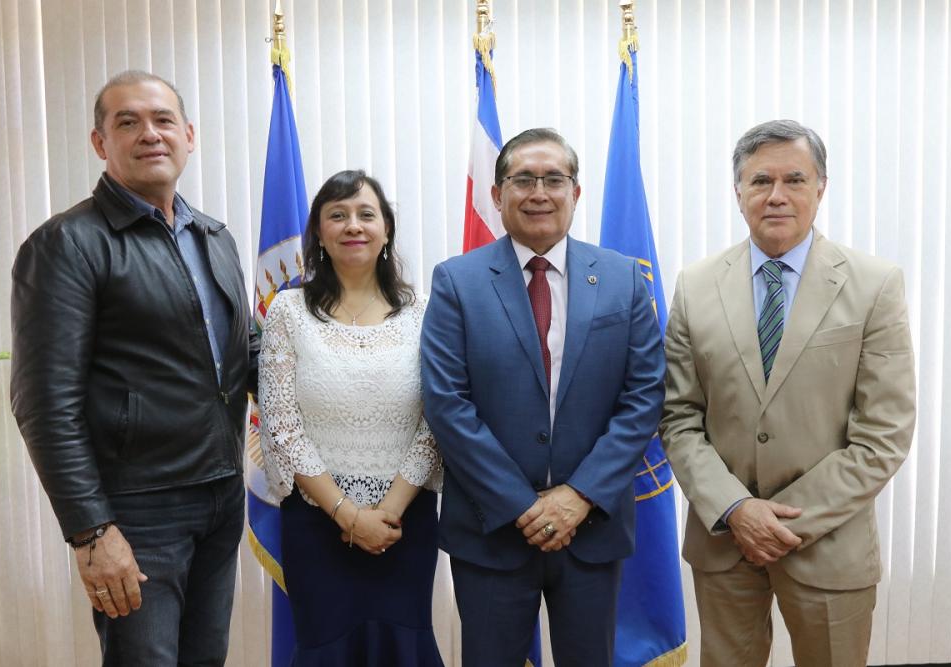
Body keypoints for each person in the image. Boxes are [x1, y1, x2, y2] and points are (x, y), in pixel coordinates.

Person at [10, 70, 256, 665]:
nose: (150, 134)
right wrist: (92, 531)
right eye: (128, 122)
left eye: (163, 119)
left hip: (221, 495)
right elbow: (44, 403)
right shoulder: (66, 244)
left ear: (189, 135)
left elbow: (243, 357)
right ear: (100, 143)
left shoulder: (213, 237)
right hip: (139, 510)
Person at [660, 119, 916, 667]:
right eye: (760, 181)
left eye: (794, 180)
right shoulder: (695, 285)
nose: (776, 196)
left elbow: (884, 435)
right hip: (725, 543)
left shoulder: (875, 285)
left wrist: (778, 523)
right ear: (738, 192)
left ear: (820, 188)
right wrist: (736, 509)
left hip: (830, 546)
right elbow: (678, 419)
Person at [421, 128, 665, 667]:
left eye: (554, 179)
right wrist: (521, 505)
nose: (539, 192)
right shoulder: (456, 282)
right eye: (522, 179)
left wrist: (579, 495)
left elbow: (644, 397)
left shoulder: (623, 279)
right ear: (496, 194)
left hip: (592, 528)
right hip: (490, 529)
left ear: (576, 193)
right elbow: (447, 403)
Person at [258, 169, 444, 666]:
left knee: (403, 647)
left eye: (366, 214)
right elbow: (282, 425)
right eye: (337, 215)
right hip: (317, 523)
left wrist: (387, 513)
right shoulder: (288, 311)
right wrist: (348, 514)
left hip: (403, 523)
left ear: (387, 229)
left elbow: (436, 420)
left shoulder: (424, 313)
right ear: (319, 232)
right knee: (327, 648)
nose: (353, 225)